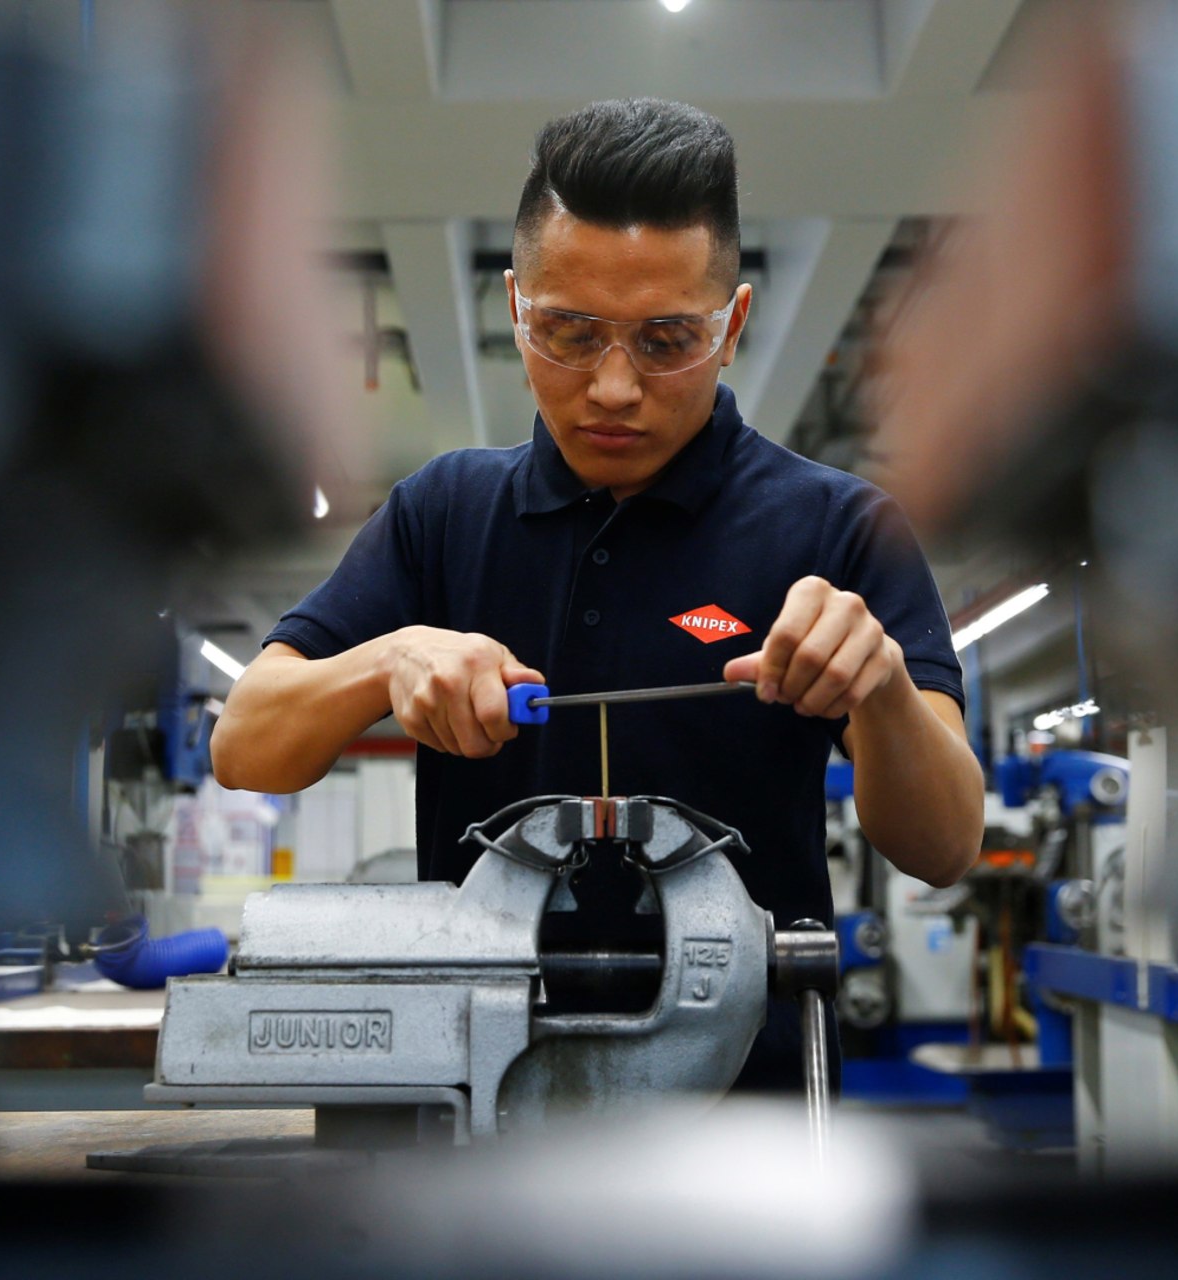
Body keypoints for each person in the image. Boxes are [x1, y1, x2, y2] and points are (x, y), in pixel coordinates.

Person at [212, 97, 984, 1089]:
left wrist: (880, 691)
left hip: (745, 1118)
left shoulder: (839, 528)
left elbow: (947, 843)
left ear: (734, 323)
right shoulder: (442, 514)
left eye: (666, 342)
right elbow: (245, 745)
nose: (614, 387)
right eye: (570, 333)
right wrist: (388, 655)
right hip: (478, 1107)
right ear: (514, 307)